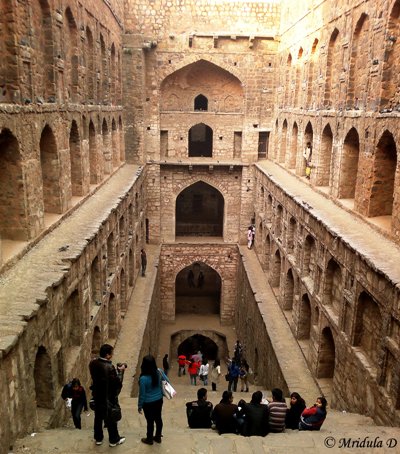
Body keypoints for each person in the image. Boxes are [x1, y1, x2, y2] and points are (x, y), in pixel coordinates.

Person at [89, 344, 126, 447]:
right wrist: (120, 372)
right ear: (107, 355)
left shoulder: (93, 363)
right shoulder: (109, 367)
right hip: (108, 397)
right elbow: (117, 385)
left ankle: (98, 438)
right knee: (111, 419)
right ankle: (114, 440)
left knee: (98, 417)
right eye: (111, 353)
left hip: (97, 395)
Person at [138, 355, 169, 445]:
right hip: (159, 400)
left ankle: (149, 439)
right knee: (158, 418)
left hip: (148, 403)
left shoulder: (143, 379)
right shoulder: (159, 372)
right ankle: (158, 437)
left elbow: (142, 395)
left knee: (150, 421)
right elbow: (167, 381)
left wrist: (139, 406)